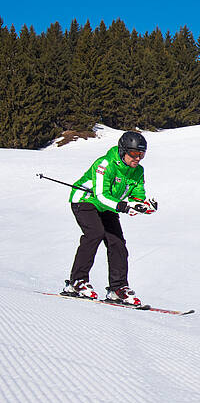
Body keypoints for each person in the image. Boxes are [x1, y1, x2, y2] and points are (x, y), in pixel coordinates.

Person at [63, 131, 158, 305]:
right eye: (134, 154)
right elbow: (100, 195)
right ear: (123, 151)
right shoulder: (105, 164)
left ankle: (118, 288)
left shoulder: (138, 171)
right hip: (85, 200)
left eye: (142, 154)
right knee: (95, 234)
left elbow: (137, 194)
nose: (138, 159)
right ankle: (77, 282)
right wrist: (123, 206)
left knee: (117, 243)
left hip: (109, 206)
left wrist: (142, 205)